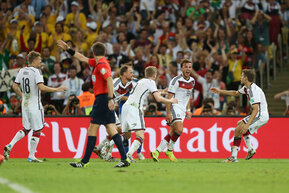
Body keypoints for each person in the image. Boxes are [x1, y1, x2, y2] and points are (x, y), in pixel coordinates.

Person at [57, 40, 130, 168]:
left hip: (102, 99)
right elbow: (82, 58)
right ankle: (124, 159)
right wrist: (68, 49)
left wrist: (110, 98)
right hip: (104, 99)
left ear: (93, 52)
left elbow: (109, 79)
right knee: (111, 129)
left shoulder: (101, 65)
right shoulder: (98, 62)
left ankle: (84, 161)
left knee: (93, 128)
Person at [3, 51, 67, 162]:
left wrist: (21, 95)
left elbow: (14, 86)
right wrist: (57, 89)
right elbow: (41, 88)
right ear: (34, 60)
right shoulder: (36, 72)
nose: (41, 62)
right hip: (35, 104)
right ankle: (31, 156)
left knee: (26, 129)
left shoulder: (22, 71)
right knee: (38, 129)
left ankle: (10, 145)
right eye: (39, 60)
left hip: (25, 104)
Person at [210, 69, 269, 162]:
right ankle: (246, 151)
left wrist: (247, 124)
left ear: (246, 78)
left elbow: (256, 109)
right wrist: (220, 91)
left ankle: (237, 155)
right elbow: (235, 93)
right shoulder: (246, 88)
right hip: (258, 114)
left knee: (241, 129)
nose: (240, 78)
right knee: (238, 126)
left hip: (260, 115)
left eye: (241, 76)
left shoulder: (253, 90)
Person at [122, 66, 178, 162]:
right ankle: (128, 155)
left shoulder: (141, 81)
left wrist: (162, 91)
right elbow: (158, 99)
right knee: (140, 136)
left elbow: (151, 92)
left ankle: (106, 146)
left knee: (126, 135)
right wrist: (171, 100)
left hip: (125, 108)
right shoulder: (150, 82)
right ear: (155, 75)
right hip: (134, 108)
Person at [93, 64, 141, 161]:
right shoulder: (115, 83)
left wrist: (160, 91)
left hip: (110, 107)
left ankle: (100, 148)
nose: (133, 74)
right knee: (117, 131)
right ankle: (106, 153)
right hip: (105, 106)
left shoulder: (132, 82)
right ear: (124, 74)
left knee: (120, 132)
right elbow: (104, 94)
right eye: (130, 72)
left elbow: (145, 87)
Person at [151, 59, 194, 162]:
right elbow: (169, 98)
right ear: (182, 68)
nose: (188, 69)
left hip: (183, 109)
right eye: (186, 67)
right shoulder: (175, 80)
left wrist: (188, 109)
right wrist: (168, 113)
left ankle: (156, 151)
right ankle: (169, 151)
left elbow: (188, 96)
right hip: (175, 106)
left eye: (189, 67)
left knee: (173, 131)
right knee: (179, 129)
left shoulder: (192, 81)